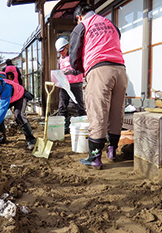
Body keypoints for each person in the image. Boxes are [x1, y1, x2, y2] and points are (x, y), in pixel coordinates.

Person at [69, 3, 128, 169]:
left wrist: (82, 69)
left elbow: (74, 57)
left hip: (99, 70)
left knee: (98, 113)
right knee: (116, 112)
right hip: (120, 70)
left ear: (79, 16)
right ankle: (112, 151)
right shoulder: (111, 24)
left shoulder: (83, 26)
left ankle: (95, 157)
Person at [0, 74, 36, 150]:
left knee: (19, 115)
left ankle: (31, 140)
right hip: (7, 99)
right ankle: (1, 137)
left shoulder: (6, 87)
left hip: (19, 96)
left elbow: (3, 110)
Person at [55, 37, 86, 134]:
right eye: (59, 51)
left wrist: (72, 72)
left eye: (62, 50)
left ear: (67, 46)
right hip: (64, 85)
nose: (62, 53)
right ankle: (65, 126)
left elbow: (82, 69)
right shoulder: (60, 59)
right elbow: (58, 71)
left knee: (79, 106)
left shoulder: (75, 56)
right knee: (62, 106)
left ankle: (84, 125)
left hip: (76, 84)